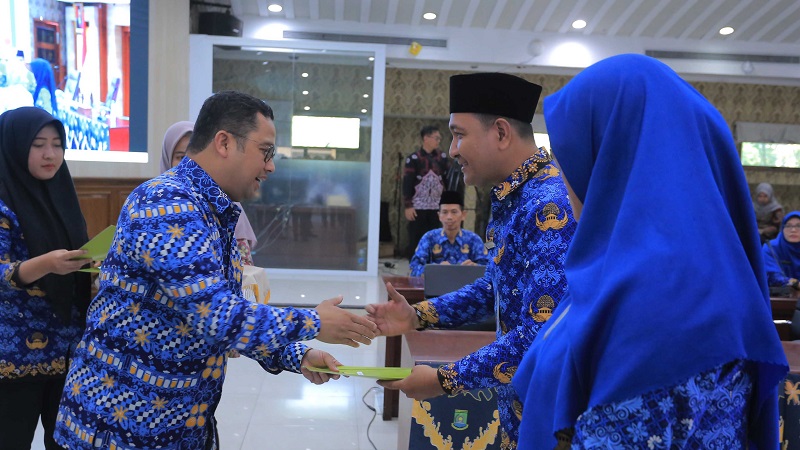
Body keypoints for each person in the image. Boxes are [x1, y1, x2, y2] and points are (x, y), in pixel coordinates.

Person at [54, 91, 378, 449]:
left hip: (177, 427)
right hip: (119, 428)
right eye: (265, 151)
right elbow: (218, 318)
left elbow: (224, 314)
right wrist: (314, 322)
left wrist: (297, 354)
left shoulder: (214, 211)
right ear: (224, 142)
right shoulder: (168, 203)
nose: (271, 166)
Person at [512, 54, 788, 449]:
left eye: (567, 158)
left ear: (610, 157)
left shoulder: (657, 305)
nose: (561, 177)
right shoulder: (643, 273)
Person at [367, 73, 576, 448]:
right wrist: (419, 315)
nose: (451, 149)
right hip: (519, 405)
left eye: (459, 134)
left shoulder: (548, 204)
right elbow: (494, 285)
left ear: (500, 132)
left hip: (549, 414)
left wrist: (444, 379)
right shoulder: (512, 196)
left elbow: (538, 336)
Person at [0, 107, 92, 449]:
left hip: (68, 350)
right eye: (38, 144)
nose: (50, 153)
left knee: (68, 443)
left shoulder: (62, 195)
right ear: (14, 146)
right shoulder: (2, 200)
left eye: (57, 144)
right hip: (13, 360)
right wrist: (46, 264)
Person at [161, 121, 259, 265]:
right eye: (181, 157)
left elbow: (244, 267)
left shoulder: (225, 203)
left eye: (194, 157)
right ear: (167, 158)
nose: (188, 165)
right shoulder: (151, 204)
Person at [408, 190, 489, 276]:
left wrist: (474, 268)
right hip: (436, 287)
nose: (449, 217)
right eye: (445, 212)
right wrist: (435, 269)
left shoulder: (473, 240)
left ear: (463, 215)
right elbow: (413, 268)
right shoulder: (429, 238)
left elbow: (489, 269)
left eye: (454, 212)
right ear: (439, 216)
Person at [403, 125, 452, 257]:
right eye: (436, 138)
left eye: (439, 139)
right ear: (426, 138)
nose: (438, 141)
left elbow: (447, 181)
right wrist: (408, 205)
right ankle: (415, 268)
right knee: (416, 237)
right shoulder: (414, 159)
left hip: (437, 206)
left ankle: (432, 267)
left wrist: (448, 204)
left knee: (436, 238)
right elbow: (407, 182)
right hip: (418, 206)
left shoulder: (442, 158)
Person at [763, 211, 800, 291]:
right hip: (778, 297)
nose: (793, 230)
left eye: (798, 226)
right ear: (782, 229)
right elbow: (772, 276)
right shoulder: (770, 248)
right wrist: (795, 283)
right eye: (788, 226)